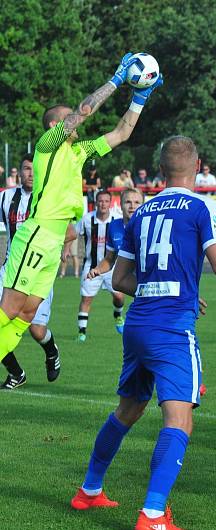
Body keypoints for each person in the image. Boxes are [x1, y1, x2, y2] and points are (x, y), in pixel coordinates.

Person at [70, 136, 216, 530]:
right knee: (178, 420)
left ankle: (90, 490)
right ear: (198, 167)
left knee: (127, 411)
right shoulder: (202, 206)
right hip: (171, 329)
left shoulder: (142, 211)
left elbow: (121, 278)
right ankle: (152, 516)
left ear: (161, 170)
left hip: (138, 324)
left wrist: (163, 288)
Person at [0, 53, 159, 371]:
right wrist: (116, 80)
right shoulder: (47, 145)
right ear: (57, 125)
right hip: (38, 233)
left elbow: (121, 133)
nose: (76, 118)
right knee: (11, 307)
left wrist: (140, 97)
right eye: (67, 117)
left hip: (53, 240)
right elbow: (83, 112)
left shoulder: (80, 151)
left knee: (29, 313)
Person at [0, 154, 65, 389]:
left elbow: (71, 232)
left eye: (34, 169)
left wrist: (61, 248)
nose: (31, 174)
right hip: (10, 270)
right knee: (2, 322)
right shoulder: (6, 198)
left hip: (39, 272)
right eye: (26, 169)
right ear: (19, 172)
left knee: (37, 330)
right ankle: (16, 373)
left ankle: (51, 351)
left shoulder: (49, 198)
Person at [76, 190, 125, 340]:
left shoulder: (117, 220)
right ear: (96, 202)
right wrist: (65, 250)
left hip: (113, 267)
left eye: (106, 201)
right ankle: (82, 333)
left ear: (110, 203)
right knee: (86, 299)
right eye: (100, 201)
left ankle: (118, 314)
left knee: (119, 297)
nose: (103, 204)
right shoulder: (86, 219)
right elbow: (73, 233)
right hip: (92, 266)